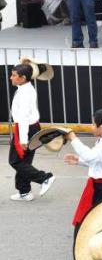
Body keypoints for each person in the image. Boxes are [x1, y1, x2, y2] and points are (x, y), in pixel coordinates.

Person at [63, 108, 102, 260]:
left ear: (101, 127)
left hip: (100, 190)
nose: (91, 126)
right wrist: (79, 161)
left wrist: (73, 138)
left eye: (92, 123)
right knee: (96, 228)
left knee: (86, 229)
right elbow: (99, 162)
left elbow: (91, 157)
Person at [8, 63, 55, 201]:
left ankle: (45, 178)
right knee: (24, 161)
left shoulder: (24, 94)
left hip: (26, 129)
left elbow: (22, 118)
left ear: (22, 78)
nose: (11, 77)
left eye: (14, 75)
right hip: (31, 127)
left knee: (15, 161)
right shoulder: (26, 86)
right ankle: (24, 192)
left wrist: (22, 140)